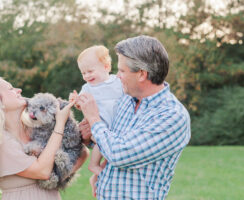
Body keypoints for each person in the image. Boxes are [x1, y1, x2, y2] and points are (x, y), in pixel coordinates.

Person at [77, 35, 191, 199]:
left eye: (122, 70)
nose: (117, 76)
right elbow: (110, 139)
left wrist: (94, 119)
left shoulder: (171, 116)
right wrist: (89, 136)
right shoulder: (125, 100)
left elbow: (119, 154)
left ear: (142, 74)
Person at [0, 77, 89, 200]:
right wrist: (60, 123)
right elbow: (42, 172)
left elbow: (82, 154)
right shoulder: (0, 141)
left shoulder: (36, 129)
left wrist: (81, 137)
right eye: (10, 89)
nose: (18, 90)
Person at [69, 45, 123, 175]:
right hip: (100, 124)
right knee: (100, 142)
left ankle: (106, 167)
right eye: (83, 73)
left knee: (114, 150)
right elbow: (80, 104)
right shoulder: (87, 88)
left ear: (106, 67)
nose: (87, 76)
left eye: (90, 71)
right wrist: (76, 100)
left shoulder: (117, 82)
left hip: (118, 124)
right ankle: (93, 165)